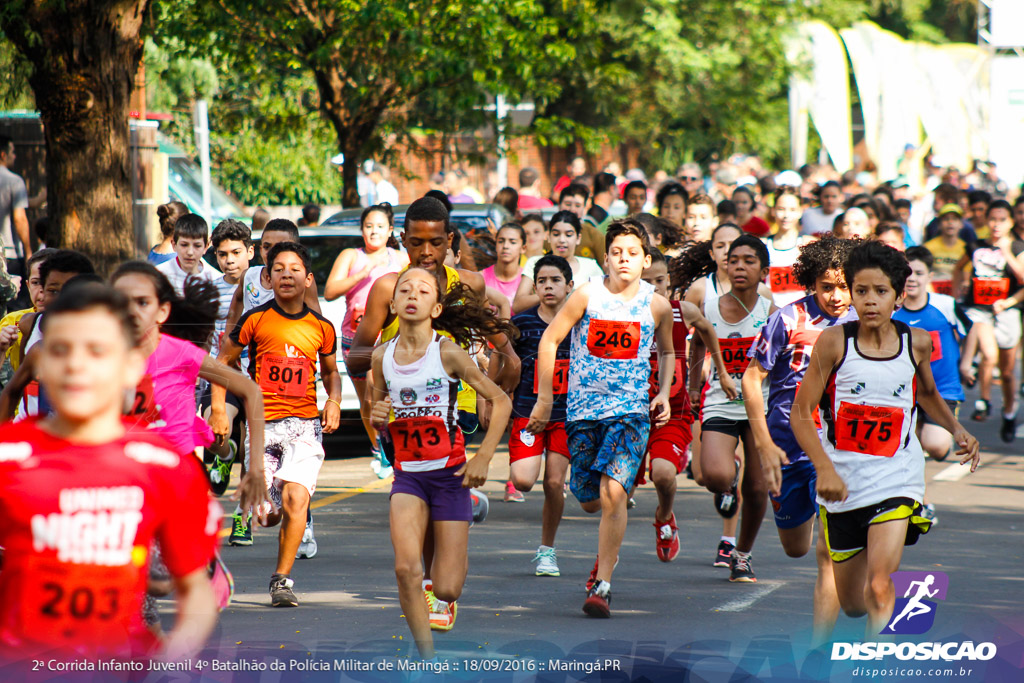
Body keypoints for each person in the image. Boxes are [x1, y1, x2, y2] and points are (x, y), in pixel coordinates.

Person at [0, 283, 222, 661]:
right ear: (39, 360)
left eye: (96, 351)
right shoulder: (8, 458)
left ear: (129, 365)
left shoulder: (165, 467)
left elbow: (195, 589)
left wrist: (175, 658)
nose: (75, 365)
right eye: (59, 349)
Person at [792, 240, 980, 637]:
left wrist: (957, 429)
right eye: (861, 291)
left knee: (880, 587)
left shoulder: (918, 342)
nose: (870, 301)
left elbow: (926, 392)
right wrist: (824, 469)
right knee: (855, 604)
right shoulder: (833, 343)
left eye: (880, 292)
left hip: (897, 476)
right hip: (841, 483)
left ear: (897, 296)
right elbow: (800, 414)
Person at [527, 219, 675, 618]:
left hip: (629, 412)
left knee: (613, 493)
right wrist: (544, 400)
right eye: (616, 253)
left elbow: (666, 352)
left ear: (645, 261)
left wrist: (661, 392)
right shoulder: (585, 296)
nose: (623, 260)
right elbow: (550, 339)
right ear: (605, 258)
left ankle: (603, 584)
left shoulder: (655, 304)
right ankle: (609, 541)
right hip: (582, 412)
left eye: (632, 254)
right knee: (591, 499)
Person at [370, 268, 512, 659]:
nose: (412, 294)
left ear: (435, 308)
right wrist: (379, 417)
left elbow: (501, 401)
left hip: (450, 477)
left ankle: (471, 506)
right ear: (394, 304)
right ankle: (426, 658)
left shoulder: (447, 352)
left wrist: (483, 456)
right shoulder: (382, 356)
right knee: (407, 571)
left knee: (446, 588)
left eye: (423, 290)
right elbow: (376, 413)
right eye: (404, 289)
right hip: (408, 479)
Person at [214, 242, 343, 608]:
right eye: (279, 269)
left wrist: (333, 401)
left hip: (304, 427)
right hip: (263, 426)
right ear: (267, 278)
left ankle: (281, 580)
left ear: (308, 280)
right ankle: (262, 506)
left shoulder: (322, 327)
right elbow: (222, 363)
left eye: (295, 269)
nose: (287, 274)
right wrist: (220, 409)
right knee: (268, 516)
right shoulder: (254, 321)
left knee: (296, 498)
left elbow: (333, 374)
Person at [742, 235, 856, 643]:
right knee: (796, 549)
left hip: (837, 449)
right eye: (827, 286)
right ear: (812, 284)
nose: (837, 296)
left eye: (845, 286)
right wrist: (763, 443)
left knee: (827, 554)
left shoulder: (864, 322)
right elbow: (752, 379)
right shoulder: (788, 319)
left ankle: (819, 648)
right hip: (786, 446)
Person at [688, 235, 775, 583]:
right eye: (734, 260)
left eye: (749, 261)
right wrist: (694, 387)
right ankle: (730, 475)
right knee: (716, 477)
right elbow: (696, 345)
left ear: (764, 271)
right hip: (720, 403)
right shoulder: (710, 307)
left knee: (757, 490)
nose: (739, 266)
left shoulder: (772, 313)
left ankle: (742, 554)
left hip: (760, 409)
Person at [640, 249, 731, 563]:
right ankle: (602, 565)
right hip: (629, 413)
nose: (654, 288)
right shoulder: (622, 315)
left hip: (673, 412)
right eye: (646, 282)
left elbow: (707, 332)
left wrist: (714, 372)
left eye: (660, 281)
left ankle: (664, 516)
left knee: (663, 474)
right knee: (610, 499)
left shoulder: (683, 311)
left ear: (669, 281)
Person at [325, 203, 408, 471]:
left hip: (389, 338)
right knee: (366, 400)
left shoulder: (400, 259)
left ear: (390, 230)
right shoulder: (352, 255)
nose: (374, 231)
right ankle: (379, 447)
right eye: (369, 226)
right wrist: (363, 272)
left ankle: (388, 442)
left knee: (378, 389)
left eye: (380, 226)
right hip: (355, 337)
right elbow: (329, 291)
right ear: (362, 230)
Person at [892, 246, 972, 523]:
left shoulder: (945, 305)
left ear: (930, 276)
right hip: (905, 391)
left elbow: (975, 328)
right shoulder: (892, 308)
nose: (912, 278)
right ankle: (919, 502)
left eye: (919, 273)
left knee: (936, 447)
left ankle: (943, 440)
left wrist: (966, 362)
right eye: (907, 273)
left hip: (943, 389)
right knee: (907, 446)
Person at [509, 255, 574, 575]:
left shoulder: (580, 324)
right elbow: (507, 366)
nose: (548, 286)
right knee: (522, 481)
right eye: (542, 282)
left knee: (554, 482)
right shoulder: (522, 323)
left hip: (565, 416)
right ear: (535, 287)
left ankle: (547, 550)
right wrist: (495, 398)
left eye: (556, 280)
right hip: (526, 413)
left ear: (569, 286)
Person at [953, 199, 1024, 438]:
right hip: (978, 310)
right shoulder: (975, 245)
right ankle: (983, 401)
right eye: (992, 218)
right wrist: (958, 290)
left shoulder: (1017, 246)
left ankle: (1009, 413)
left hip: (1006, 312)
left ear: (1010, 221)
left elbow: (1023, 280)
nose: (996, 224)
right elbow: (958, 268)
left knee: (1006, 372)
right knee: (988, 352)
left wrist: (1008, 302)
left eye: (1002, 219)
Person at [202, 220, 257, 489]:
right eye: (222, 255)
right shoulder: (209, 289)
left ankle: (243, 519)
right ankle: (226, 454)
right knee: (210, 433)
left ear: (250, 251)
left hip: (258, 376)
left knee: (253, 453)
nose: (229, 261)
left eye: (236, 253)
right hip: (223, 374)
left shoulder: (264, 285)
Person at [513, 211, 604, 312]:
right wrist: (551, 294)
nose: (562, 240)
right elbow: (518, 305)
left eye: (568, 235)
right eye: (556, 234)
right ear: (548, 236)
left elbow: (603, 302)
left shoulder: (591, 266)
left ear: (578, 238)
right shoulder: (535, 262)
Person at [155, 213, 221, 294]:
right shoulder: (158, 276)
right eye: (184, 245)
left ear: (206, 247)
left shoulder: (216, 280)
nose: (190, 252)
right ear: (174, 245)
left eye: (197, 246)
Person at [0, 136, 33, 292]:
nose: (15, 156)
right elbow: (19, 219)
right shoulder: (14, 181)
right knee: (14, 306)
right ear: (3, 154)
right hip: (8, 254)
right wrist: (28, 252)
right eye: (12, 152)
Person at [766, 186, 807, 307]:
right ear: (773, 211)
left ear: (800, 211)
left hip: (802, 314)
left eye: (792, 209)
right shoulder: (763, 245)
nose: (786, 215)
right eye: (781, 209)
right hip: (770, 313)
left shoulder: (807, 245)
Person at [922, 204, 967, 295]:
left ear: (961, 224)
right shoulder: (928, 247)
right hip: (932, 292)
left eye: (954, 219)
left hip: (957, 293)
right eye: (946, 219)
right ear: (939, 224)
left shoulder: (966, 249)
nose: (950, 223)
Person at [480, 223, 525, 311]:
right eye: (501, 241)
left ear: (523, 248)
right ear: (496, 245)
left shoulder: (528, 281)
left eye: (512, 242)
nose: (505, 246)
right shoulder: (480, 278)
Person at [558, 184, 606, 263]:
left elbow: (606, 267)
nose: (572, 209)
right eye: (567, 204)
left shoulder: (594, 235)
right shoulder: (545, 234)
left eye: (577, 205)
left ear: (584, 208)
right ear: (559, 205)